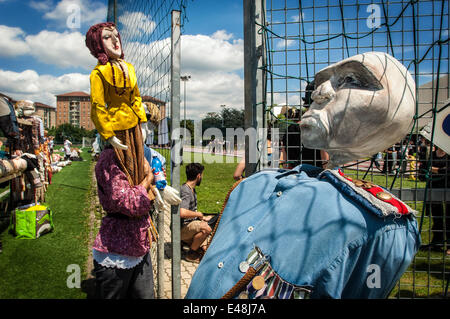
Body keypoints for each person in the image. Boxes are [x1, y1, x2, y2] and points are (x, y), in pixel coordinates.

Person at [186, 52, 420, 299]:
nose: (320, 91)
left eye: (351, 79)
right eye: (322, 82)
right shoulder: (252, 186)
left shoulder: (382, 225)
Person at [92, 143, 156, 299]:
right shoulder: (110, 157)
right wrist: (148, 180)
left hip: (140, 246)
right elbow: (130, 202)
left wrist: (157, 184)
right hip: (116, 251)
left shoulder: (134, 154)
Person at [180, 163, 212, 263]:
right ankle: (191, 254)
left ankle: (191, 244)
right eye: (201, 175)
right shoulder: (186, 190)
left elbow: (191, 211)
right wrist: (199, 215)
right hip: (182, 228)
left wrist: (204, 217)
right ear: (198, 176)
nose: (202, 177)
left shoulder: (191, 189)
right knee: (206, 228)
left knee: (212, 221)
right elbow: (182, 212)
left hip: (189, 224)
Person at [420, 146, 450, 255]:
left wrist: (433, 169)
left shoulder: (448, 155)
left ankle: (449, 244)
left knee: (449, 218)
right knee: (436, 217)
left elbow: (447, 171)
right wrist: (439, 171)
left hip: (447, 188)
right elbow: (423, 170)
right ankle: (437, 242)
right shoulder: (431, 155)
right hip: (433, 188)